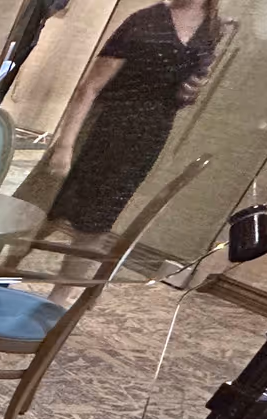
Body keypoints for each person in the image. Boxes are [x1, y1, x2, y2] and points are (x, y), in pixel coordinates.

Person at [41, 0, 219, 302]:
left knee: (99, 220)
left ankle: (60, 296)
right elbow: (90, 87)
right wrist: (65, 144)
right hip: (103, 127)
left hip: (148, 136)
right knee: (47, 207)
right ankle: (1, 269)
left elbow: (183, 92)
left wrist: (190, 91)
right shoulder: (145, 20)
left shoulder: (211, 29)